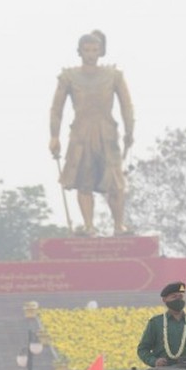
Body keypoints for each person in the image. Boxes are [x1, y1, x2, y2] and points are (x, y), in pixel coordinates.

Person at [49, 29, 134, 236]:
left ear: (101, 51)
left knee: (115, 181)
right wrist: (54, 136)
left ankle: (118, 225)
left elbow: (126, 106)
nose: (90, 53)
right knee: (83, 179)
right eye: (86, 49)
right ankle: (88, 225)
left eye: (95, 49)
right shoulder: (69, 77)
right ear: (79, 51)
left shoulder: (113, 76)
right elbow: (56, 109)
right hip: (80, 133)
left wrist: (129, 132)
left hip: (107, 131)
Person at [137, 282, 186, 367]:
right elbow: (142, 349)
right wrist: (154, 361)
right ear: (164, 300)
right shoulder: (156, 323)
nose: (178, 299)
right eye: (174, 297)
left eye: (180, 296)